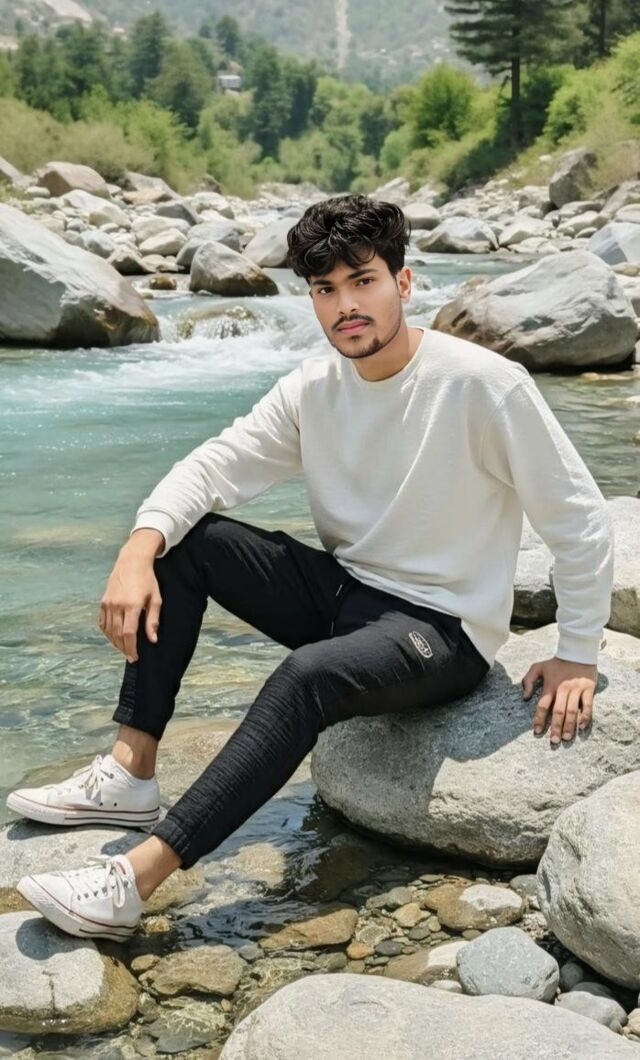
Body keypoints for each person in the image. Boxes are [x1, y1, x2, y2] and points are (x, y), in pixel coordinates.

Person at [8, 194, 613, 943]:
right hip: (347, 594)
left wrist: (578, 650)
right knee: (185, 542)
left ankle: (136, 878)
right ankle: (131, 772)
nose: (345, 306)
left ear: (404, 282)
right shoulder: (314, 387)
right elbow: (214, 465)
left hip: (442, 629)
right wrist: (138, 548)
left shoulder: (483, 385)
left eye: (363, 281)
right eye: (326, 289)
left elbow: (579, 518)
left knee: (305, 677)